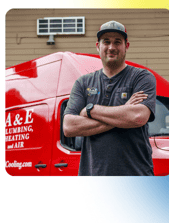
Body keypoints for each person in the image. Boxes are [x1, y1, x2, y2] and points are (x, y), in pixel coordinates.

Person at [63, 20, 157, 176]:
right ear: (98, 46)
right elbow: (69, 127)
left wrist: (90, 109)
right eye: (106, 42)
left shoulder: (142, 77)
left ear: (126, 46)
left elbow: (138, 117)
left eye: (117, 42)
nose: (111, 47)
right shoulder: (83, 83)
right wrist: (123, 113)